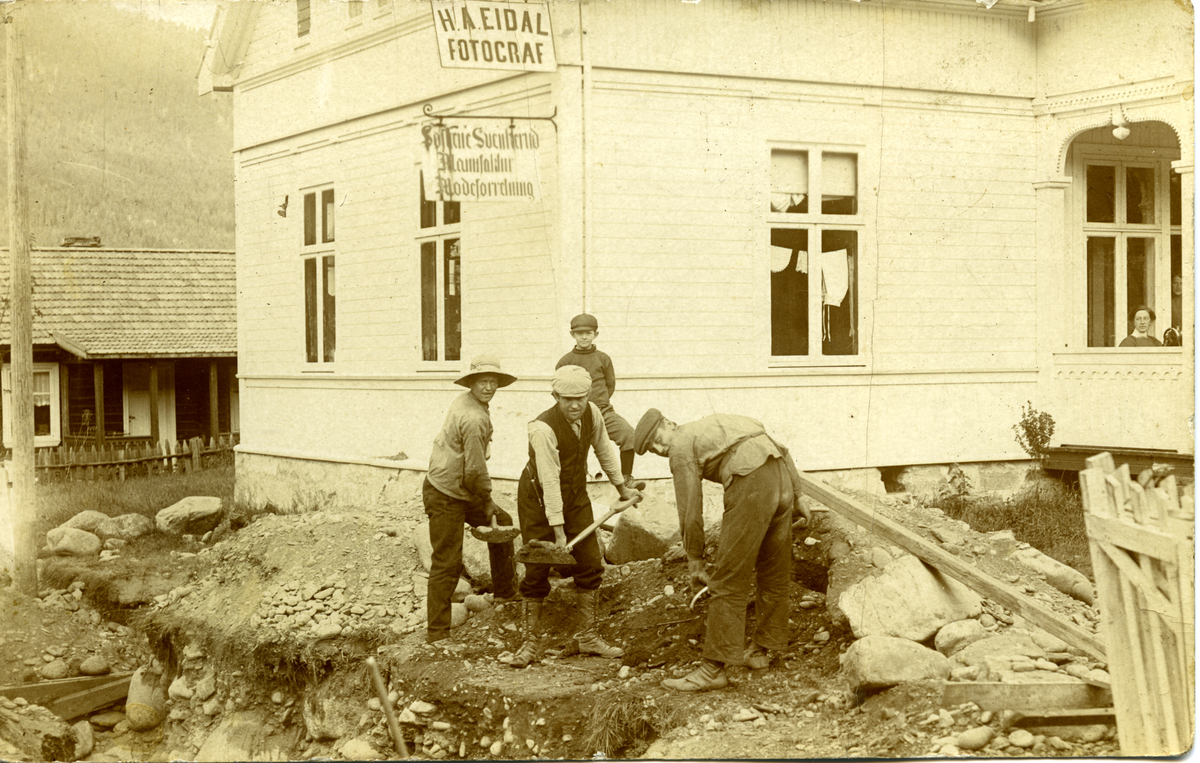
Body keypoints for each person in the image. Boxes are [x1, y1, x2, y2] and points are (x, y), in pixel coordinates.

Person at [634, 409, 812, 691]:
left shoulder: (681, 444)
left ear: (670, 424)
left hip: (751, 483)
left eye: (657, 439)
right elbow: (782, 450)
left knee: (728, 578)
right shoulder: (724, 421)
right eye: (653, 449)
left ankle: (712, 670)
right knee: (774, 570)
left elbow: (690, 508)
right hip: (781, 480)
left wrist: (695, 560)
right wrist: (798, 494)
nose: (659, 449)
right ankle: (760, 651)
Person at [510, 365, 640, 667]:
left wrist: (621, 488)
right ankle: (530, 642)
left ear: (588, 395)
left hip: (575, 493)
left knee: (590, 562)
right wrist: (557, 531)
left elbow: (604, 451)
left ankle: (587, 636)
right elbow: (550, 480)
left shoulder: (592, 413)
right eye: (567, 398)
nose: (574, 405)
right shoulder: (541, 429)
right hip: (538, 498)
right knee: (537, 566)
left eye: (580, 397)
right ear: (555, 396)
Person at [423, 354, 519, 644]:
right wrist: (487, 498)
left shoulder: (470, 402)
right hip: (445, 493)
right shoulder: (473, 416)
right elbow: (474, 472)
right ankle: (437, 633)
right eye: (482, 382)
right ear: (472, 383)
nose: (488, 387)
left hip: (460, 486)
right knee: (447, 561)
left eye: (493, 382)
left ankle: (505, 593)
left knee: (502, 523)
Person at [556, 313, 640, 489]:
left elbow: (610, 385)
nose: (584, 336)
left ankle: (627, 478)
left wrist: (599, 403)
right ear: (573, 335)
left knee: (629, 435)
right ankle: (575, 483)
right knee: (575, 449)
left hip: (603, 411)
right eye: (580, 333)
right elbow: (558, 390)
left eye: (588, 332)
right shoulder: (566, 361)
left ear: (596, 334)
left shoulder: (603, 358)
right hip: (576, 415)